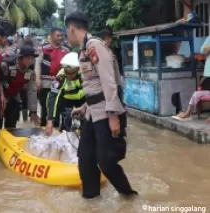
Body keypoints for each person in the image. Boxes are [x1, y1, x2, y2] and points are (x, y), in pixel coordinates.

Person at [64, 12, 137, 199]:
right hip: (93, 112)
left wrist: (113, 115)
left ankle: (129, 197)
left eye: (67, 31)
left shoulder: (94, 46)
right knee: (86, 158)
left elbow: (109, 81)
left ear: (71, 28)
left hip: (107, 113)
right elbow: (94, 86)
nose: (67, 34)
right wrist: (84, 107)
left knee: (106, 161)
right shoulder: (84, 49)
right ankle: (91, 200)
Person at [35, 28, 69, 126]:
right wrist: (38, 81)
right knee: (45, 108)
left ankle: (56, 128)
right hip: (45, 83)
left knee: (58, 106)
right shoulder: (43, 48)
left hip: (60, 83)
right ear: (52, 35)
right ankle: (43, 127)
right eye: (57, 35)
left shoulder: (66, 50)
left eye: (61, 35)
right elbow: (37, 65)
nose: (60, 38)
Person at [45, 52, 85, 135]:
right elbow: (52, 96)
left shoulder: (84, 73)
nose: (69, 76)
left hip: (82, 99)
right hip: (66, 100)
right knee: (65, 125)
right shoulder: (61, 76)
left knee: (86, 125)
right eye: (67, 73)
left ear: (78, 69)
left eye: (72, 73)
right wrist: (50, 120)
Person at [1, 45, 40, 128]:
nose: (31, 60)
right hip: (1, 97)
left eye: (32, 58)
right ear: (21, 58)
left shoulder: (30, 72)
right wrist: (2, 97)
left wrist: (33, 111)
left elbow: (32, 91)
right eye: (29, 58)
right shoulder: (6, 65)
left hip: (14, 97)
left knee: (12, 122)